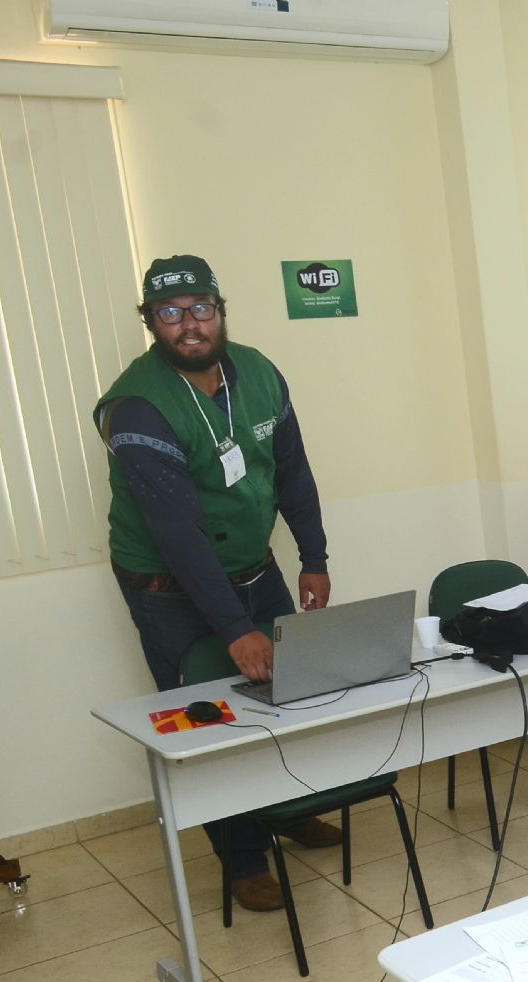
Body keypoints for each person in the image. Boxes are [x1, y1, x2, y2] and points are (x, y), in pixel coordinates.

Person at [96, 254, 338, 912]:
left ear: (220, 311)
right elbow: (178, 534)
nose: (189, 324)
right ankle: (242, 858)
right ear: (151, 323)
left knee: (290, 695)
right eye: (170, 313)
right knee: (208, 723)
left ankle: (291, 809)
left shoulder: (258, 373)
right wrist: (233, 628)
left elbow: (293, 470)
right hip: (168, 590)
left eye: (200, 308)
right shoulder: (136, 407)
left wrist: (312, 556)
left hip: (255, 566)